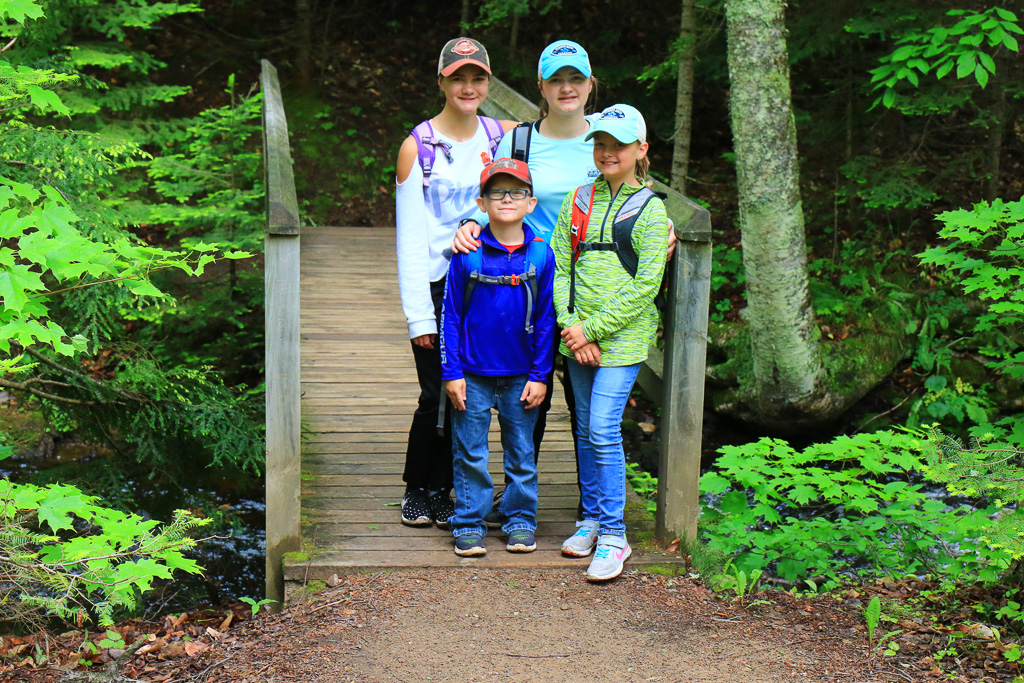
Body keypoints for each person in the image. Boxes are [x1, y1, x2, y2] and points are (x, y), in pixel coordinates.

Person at [450, 39, 601, 527]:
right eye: (556, 80)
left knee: (588, 404)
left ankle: (593, 508)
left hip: (587, 290)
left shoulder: (605, 136)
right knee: (527, 392)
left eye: (575, 79)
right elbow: (497, 195)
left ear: (589, 85)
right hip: (525, 282)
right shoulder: (519, 142)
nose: (566, 88)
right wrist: (471, 225)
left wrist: (662, 228)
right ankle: (517, 504)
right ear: (541, 86)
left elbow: (634, 191)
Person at [394, 37, 516, 528]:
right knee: (434, 391)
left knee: (469, 390)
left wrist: (648, 207)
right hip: (437, 285)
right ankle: (416, 487)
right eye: (458, 77)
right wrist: (417, 315)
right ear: (441, 80)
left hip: (488, 284)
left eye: (478, 77)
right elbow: (409, 238)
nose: (468, 87)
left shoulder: (503, 136)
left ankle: (447, 489)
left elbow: (569, 157)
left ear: (489, 82)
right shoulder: (417, 146)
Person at [551, 104, 669, 581]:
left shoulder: (651, 210)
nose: (607, 152)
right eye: (600, 143)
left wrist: (592, 330)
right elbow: (561, 267)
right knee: (584, 431)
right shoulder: (577, 199)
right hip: (577, 336)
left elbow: (646, 287)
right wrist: (570, 325)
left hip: (620, 341)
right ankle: (593, 521)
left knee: (602, 428)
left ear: (640, 150)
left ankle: (616, 537)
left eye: (618, 144)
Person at [440, 158, 556, 556]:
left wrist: (541, 375)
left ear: (531, 203)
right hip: (471, 372)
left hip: (521, 373)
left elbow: (546, 319)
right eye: (496, 193)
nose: (507, 199)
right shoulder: (468, 254)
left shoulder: (541, 255)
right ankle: (469, 522)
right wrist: (450, 372)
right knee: (470, 450)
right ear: (482, 202)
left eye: (517, 193)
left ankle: (520, 521)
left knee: (521, 451)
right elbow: (451, 314)